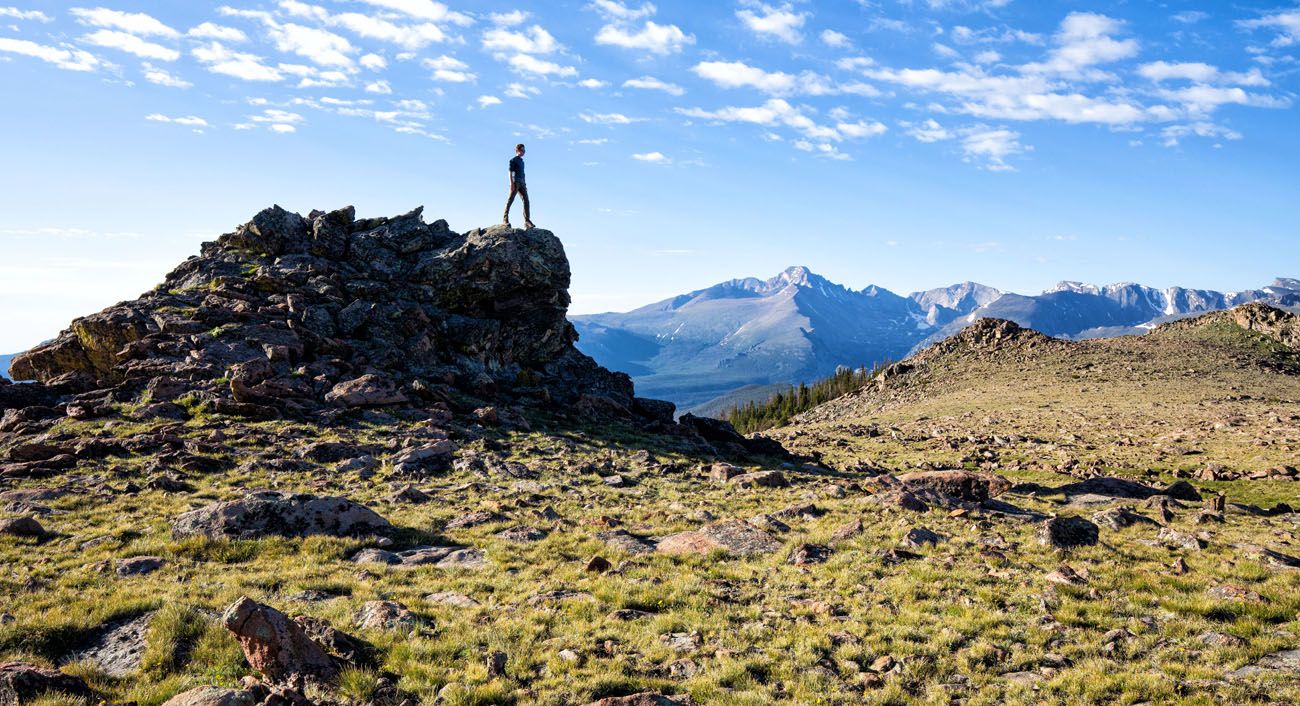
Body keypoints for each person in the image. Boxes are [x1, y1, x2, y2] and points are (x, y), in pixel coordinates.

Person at [503, 143, 534, 230]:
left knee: (526, 201)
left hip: (522, 183)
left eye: (524, 150)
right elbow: (510, 172)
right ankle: (505, 219)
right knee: (510, 200)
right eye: (522, 150)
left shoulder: (522, 162)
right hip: (515, 182)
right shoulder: (513, 160)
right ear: (517, 150)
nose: (523, 152)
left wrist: (525, 184)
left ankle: (527, 221)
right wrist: (512, 183)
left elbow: (523, 174)